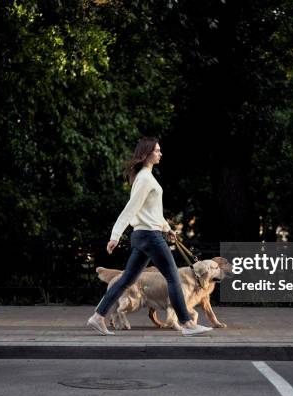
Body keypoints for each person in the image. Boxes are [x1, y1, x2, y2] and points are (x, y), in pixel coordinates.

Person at [87, 136, 213, 336]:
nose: (160, 153)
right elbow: (131, 208)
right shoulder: (145, 178)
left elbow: (151, 212)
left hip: (144, 235)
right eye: (157, 151)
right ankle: (187, 323)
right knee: (173, 278)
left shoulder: (146, 177)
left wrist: (166, 227)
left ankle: (98, 316)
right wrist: (116, 234)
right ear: (146, 154)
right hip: (149, 236)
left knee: (127, 279)